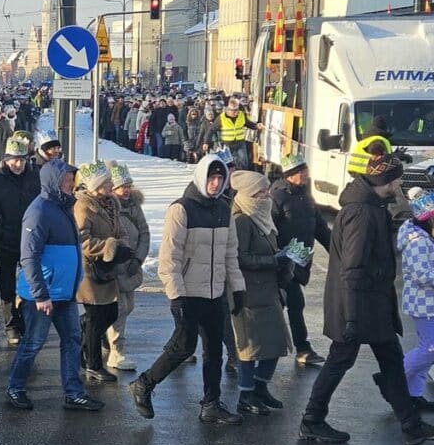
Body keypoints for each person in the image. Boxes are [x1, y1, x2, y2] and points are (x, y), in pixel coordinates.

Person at [300, 154, 434, 445]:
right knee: (339, 361)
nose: (400, 184)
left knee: (392, 362)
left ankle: (411, 425)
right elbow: (352, 268)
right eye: (397, 179)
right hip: (357, 306)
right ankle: (312, 420)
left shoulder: (373, 207)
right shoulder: (363, 213)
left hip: (372, 304)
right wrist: (352, 318)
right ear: (386, 181)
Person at [128, 154, 246, 425]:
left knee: (214, 351)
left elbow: (231, 254)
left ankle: (211, 403)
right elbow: (170, 257)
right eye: (211, 178)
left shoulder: (224, 209)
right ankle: (143, 385)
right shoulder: (182, 209)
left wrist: (237, 288)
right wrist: (176, 295)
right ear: (201, 177)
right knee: (183, 347)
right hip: (189, 293)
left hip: (215, 293)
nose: (215, 183)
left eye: (220, 178)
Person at [7, 158, 104, 412]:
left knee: (72, 340)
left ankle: (74, 392)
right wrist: (40, 294)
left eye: (72, 180)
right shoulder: (39, 211)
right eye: (65, 181)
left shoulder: (64, 208)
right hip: (43, 295)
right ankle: (15, 388)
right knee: (33, 343)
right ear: (52, 182)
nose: (70, 185)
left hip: (64, 293)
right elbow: (29, 257)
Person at [228, 170, 294, 416]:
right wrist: (273, 260)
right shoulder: (241, 220)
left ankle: (261, 387)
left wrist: (287, 256)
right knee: (251, 347)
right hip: (249, 293)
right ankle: (246, 394)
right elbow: (240, 258)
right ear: (248, 194)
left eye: (266, 190)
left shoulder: (262, 214)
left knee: (276, 343)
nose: (267, 195)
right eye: (261, 191)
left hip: (270, 291)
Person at [74, 160, 132, 383]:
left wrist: (122, 246)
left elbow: (121, 231)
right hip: (90, 269)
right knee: (96, 315)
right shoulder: (82, 206)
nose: (111, 184)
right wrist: (108, 246)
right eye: (106, 182)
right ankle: (93, 364)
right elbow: (82, 240)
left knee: (109, 313)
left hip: (108, 267)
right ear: (95, 185)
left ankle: (83, 345)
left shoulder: (112, 204)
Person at [270, 154, 330, 365]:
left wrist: (337, 251)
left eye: (305, 170)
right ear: (289, 175)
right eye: (300, 172)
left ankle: (296, 349)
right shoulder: (277, 197)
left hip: (300, 262)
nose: (305, 174)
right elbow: (268, 230)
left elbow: (320, 228)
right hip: (282, 263)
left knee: (291, 305)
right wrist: (275, 255)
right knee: (290, 304)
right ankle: (299, 348)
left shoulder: (307, 197)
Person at [0, 137, 40, 346]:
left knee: (30, 282)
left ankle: (27, 319)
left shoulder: (35, 177)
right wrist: (0, 227)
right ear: (6, 159)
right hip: (7, 241)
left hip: (31, 241)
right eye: (14, 160)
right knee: (7, 284)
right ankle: (11, 324)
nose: (18, 164)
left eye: (22, 160)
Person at [399, 187, 434, 413]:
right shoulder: (418, 241)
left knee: (427, 349)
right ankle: (394, 377)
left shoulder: (432, 236)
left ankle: (414, 394)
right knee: (431, 349)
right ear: (429, 215)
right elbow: (423, 275)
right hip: (424, 303)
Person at [104, 163, 149, 371]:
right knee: (119, 310)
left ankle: (95, 329)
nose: (127, 190)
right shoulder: (109, 208)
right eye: (123, 186)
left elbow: (145, 233)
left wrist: (138, 259)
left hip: (131, 265)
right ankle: (117, 352)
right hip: (115, 267)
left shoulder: (134, 207)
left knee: (128, 307)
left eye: (129, 185)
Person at [213, 97, 261, 170]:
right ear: (229, 109)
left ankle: (243, 177)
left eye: (237, 110)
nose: (236, 112)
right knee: (230, 164)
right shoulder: (221, 118)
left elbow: (248, 124)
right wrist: (206, 142)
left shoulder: (241, 115)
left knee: (244, 163)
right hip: (228, 144)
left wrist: (256, 126)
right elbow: (212, 129)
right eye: (233, 110)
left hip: (240, 143)